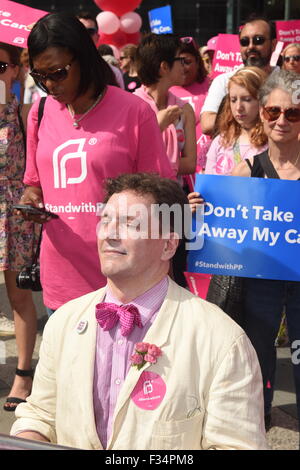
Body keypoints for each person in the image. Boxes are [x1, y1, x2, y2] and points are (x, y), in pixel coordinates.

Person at [11, 172, 267, 450]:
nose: (110, 234)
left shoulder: (222, 341)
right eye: (105, 221)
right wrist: (29, 439)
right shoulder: (63, 322)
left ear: (168, 245)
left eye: (130, 224)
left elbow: (237, 445)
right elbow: (40, 415)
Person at [18, 13, 174, 316]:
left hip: (125, 277)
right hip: (61, 278)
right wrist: (31, 201)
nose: (50, 85)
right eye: (40, 76)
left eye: (59, 72)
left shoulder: (134, 112)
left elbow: (162, 195)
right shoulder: (39, 112)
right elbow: (34, 185)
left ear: (84, 58)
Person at [231, 69, 300, 430]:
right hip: (260, 283)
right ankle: (259, 419)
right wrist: (201, 207)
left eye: (293, 113)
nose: (282, 121)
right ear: (263, 114)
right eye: (274, 112)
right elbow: (222, 223)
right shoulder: (245, 171)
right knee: (258, 355)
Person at [0, 42, 38, 411]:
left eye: (1, 67)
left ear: (15, 71)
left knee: (18, 295)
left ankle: (23, 374)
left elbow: (36, 171)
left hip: (12, 212)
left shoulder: (26, 114)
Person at [200, 16, 277, 136]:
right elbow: (207, 123)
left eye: (258, 40)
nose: (251, 46)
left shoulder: (289, 82)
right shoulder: (223, 81)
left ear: (273, 44)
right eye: (245, 42)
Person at [134, 33, 197, 177]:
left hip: (173, 195)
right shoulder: (131, 106)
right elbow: (129, 158)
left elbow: (190, 164)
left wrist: (155, 165)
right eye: (181, 60)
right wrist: (157, 126)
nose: (185, 66)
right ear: (164, 67)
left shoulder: (184, 109)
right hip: (141, 195)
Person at [205, 67, 268, 175]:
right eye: (233, 100)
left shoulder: (273, 143)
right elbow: (208, 184)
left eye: (247, 99)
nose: (238, 107)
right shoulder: (221, 141)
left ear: (262, 100)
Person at [171, 37, 211, 173]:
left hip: (206, 161)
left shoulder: (211, 85)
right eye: (178, 62)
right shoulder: (166, 89)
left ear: (198, 63)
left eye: (187, 62)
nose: (182, 67)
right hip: (179, 165)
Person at [77, 10, 125, 89]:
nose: (85, 36)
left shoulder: (113, 73)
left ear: (97, 37)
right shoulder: (63, 72)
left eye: (90, 32)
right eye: (81, 31)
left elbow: (121, 100)